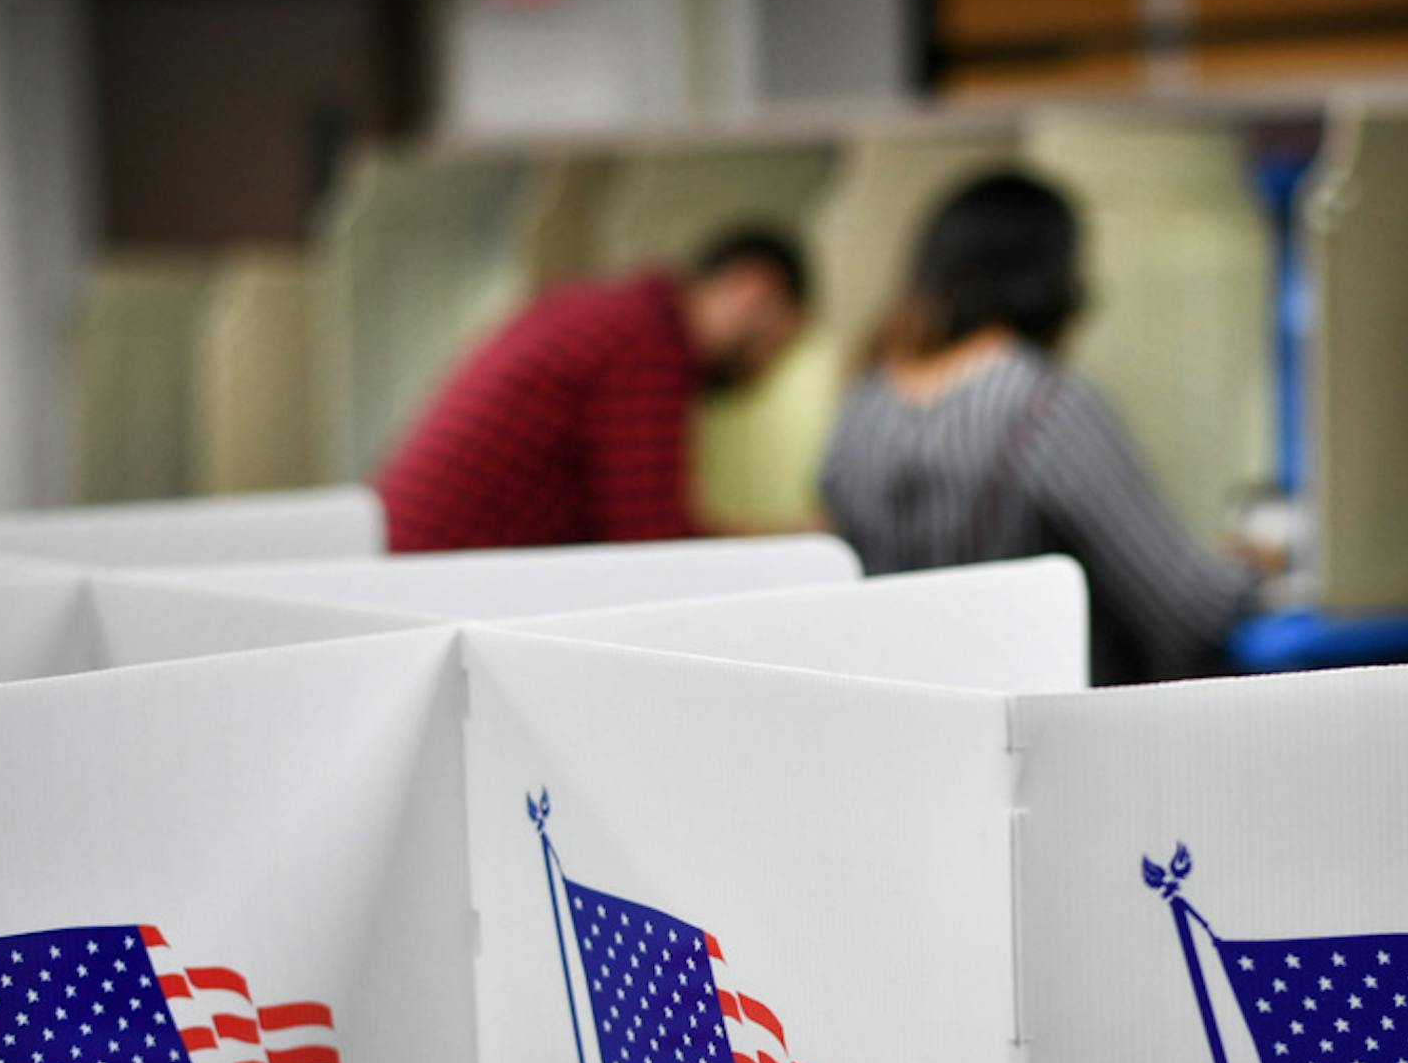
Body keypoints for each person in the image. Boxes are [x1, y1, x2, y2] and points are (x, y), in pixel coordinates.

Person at [819, 170, 1273, 684]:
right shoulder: (1044, 404)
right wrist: (1262, 570)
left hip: (912, 728)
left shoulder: (861, 404)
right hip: (1045, 730)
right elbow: (1189, 608)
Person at [378, 229, 808, 553]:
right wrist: (782, 547)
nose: (762, 374)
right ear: (754, 291)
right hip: (436, 579)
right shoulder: (647, 342)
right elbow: (651, 546)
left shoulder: (613, 311)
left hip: (409, 557)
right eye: (775, 346)